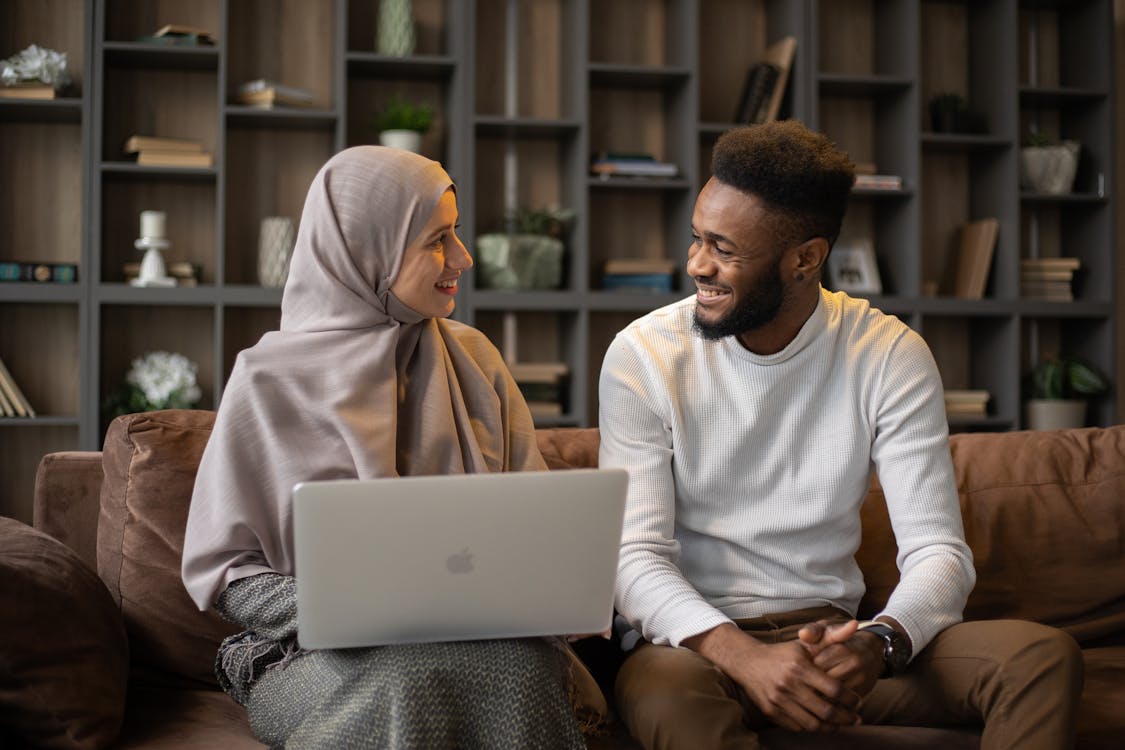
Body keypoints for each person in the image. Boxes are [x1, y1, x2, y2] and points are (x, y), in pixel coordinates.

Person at [598, 121, 1084, 750]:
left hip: (831, 639)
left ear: (805, 258)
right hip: (695, 651)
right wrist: (746, 659)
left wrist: (877, 644)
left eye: (723, 248)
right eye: (696, 238)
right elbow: (634, 559)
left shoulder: (887, 354)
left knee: (1039, 658)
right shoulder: (642, 356)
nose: (696, 264)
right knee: (663, 695)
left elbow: (939, 553)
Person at [182, 146, 596, 749]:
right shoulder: (267, 380)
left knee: (524, 669)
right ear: (364, 248)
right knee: (406, 677)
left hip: (487, 641)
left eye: (457, 234)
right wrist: (353, 609)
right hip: (308, 654)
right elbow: (228, 576)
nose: (463, 258)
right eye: (437, 240)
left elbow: (534, 527)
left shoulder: (473, 359)